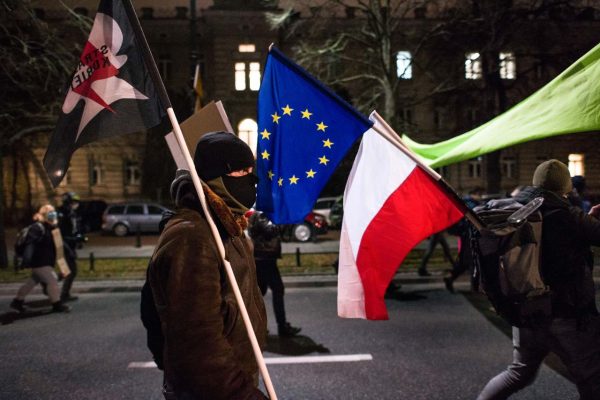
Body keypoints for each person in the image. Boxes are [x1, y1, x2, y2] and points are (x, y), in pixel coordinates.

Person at [147, 131, 268, 399]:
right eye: (241, 171)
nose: (252, 179)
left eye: (251, 169)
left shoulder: (227, 225)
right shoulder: (193, 236)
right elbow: (197, 344)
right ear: (215, 177)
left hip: (233, 380)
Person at [477, 159, 600, 400]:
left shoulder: (516, 211)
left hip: (526, 309)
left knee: (519, 372)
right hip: (567, 314)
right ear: (565, 186)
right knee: (593, 378)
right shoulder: (570, 216)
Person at [248, 210, 301, 337]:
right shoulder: (261, 215)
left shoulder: (264, 214)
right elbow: (271, 230)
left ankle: (255, 327)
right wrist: (284, 220)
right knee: (276, 290)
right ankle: (281, 327)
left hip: (265, 257)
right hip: (264, 258)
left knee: (260, 292)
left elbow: (281, 234)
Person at [10, 205, 71, 313]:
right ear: (43, 215)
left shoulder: (53, 228)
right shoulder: (37, 228)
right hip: (39, 262)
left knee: (31, 282)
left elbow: (60, 247)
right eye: (50, 213)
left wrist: (65, 266)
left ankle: (17, 301)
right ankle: (57, 304)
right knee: (52, 281)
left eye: (54, 213)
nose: (53, 216)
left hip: (47, 262)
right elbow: (30, 244)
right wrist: (26, 261)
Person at [443, 187, 483, 292]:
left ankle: (451, 278)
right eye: (479, 194)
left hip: (465, 236)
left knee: (465, 262)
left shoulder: (464, 202)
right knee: (472, 261)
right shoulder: (471, 204)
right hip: (469, 236)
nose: (480, 197)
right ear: (474, 193)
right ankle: (474, 287)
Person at [57, 191, 83, 302]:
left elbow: (75, 229)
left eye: (76, 202)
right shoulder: (61, 214)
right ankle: (63, 293)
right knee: (71, 270)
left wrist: (79, 238)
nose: (76, 204)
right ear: (67, 202)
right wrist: (71, 240)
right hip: (62, 246)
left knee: (66, 271)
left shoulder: (72, 213)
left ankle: (48, 281)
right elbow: (60, 233)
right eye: (73, 202)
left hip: (70, 246)